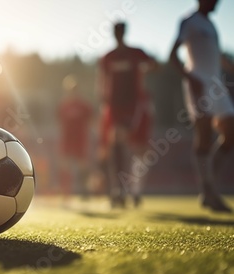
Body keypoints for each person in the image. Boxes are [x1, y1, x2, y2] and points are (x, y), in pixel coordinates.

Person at [169, 0, 234, 212]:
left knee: (230, 133)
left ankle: (209, 185)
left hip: (217, 86)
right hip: (198, 84)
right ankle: (209, 192)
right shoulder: (189, 22)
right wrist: (190, 78)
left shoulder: (212, 25)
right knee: (204, 135)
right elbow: (173, 56)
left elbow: (217, 56)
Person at [99, 22, 156, 208]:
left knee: (138, 149)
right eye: (116, 32)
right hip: (115, 106)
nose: (118, 35)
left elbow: (154, 66)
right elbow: (102, 80)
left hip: (134, 104)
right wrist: (103, 101)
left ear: (124, 32)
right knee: (115, 142)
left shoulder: (136, 53)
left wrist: (145, 68)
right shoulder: (108, 57)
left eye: (121, 31)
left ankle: (134, 191)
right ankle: (119, 190)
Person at [56, 75, 93, 199]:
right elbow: (59, 122)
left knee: (83, 166)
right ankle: (65, 193)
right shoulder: (63, 105)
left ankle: (85, 191)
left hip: (80, 140)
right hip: (67, 140)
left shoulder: (83, 105)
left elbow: (92, 120)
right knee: (65, 165)